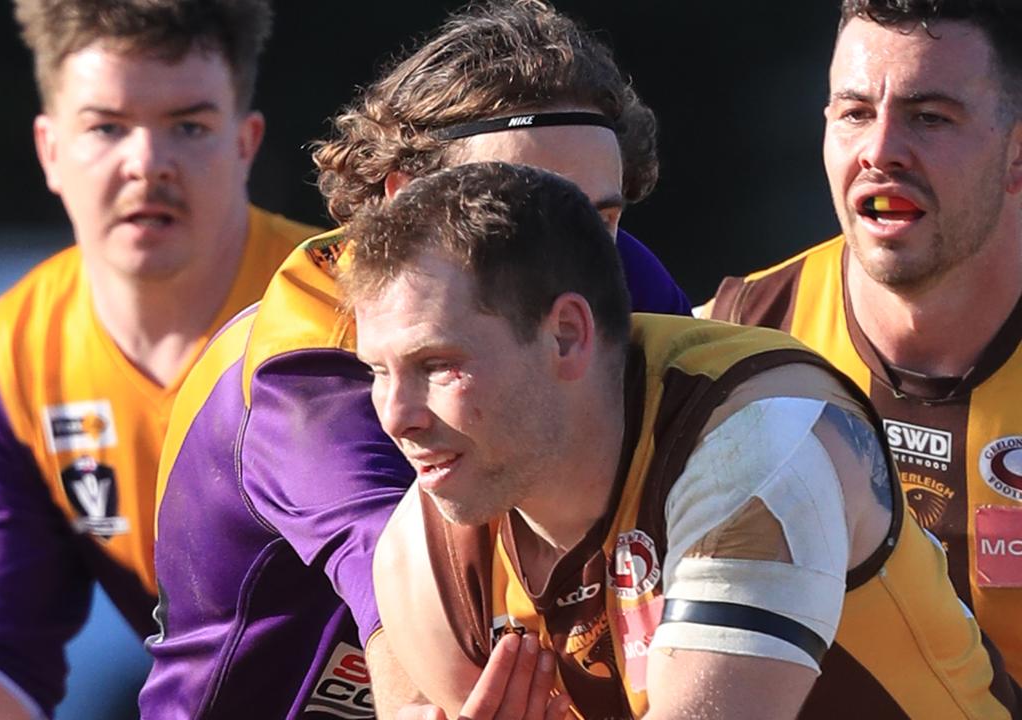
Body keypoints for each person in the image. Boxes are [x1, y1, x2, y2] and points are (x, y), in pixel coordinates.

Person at [139, 2, 690, 718]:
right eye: (515, 216)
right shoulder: (305, 370)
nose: (571, 257)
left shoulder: (602, 273)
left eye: (600, 217)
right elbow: (390, 588)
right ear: (405, 199)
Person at [354, 161, 1020, 720]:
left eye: (437, 365)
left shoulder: (759, 439)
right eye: (378, 373)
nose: (396, 416)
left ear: (566, 334)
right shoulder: (424, 552)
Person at [0, 1, 317, 718]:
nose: (148, 163)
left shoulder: (347, 305)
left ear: (245, 144)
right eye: (106, 127)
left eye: (189, 126)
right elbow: (4, 643)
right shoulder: (18, 350)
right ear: (49, 150)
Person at [703, 0, 1022, 680]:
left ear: (1017, 149)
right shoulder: (734, 343)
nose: (879, 151)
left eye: (929, 117)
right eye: (853, 114)